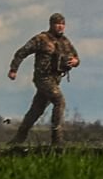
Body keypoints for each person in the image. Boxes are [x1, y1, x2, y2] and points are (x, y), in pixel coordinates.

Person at [8, 12, 79, 148]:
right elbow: (22, 52)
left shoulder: (65, 42)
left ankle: (19, 137)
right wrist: (13, 69)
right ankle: (57, 139)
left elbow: (76, 58)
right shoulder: (41, 39)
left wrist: (75, 62)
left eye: (62, 24)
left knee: (36, 110)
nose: (60, 27)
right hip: (43, 78)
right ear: (51, 25)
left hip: (56, 79)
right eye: (57, 24)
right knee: (59, 101)